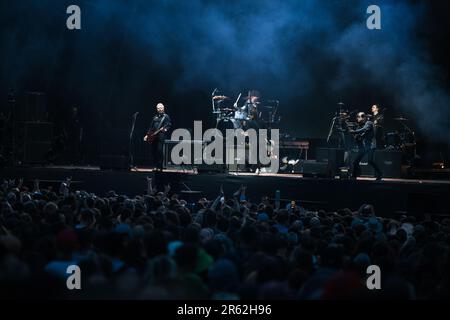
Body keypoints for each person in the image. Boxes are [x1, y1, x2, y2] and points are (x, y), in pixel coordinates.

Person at [350, 112, 383, 180]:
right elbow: (365, 133)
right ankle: (354, 175)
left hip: (370, 146)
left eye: (359, 117)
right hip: (368, 147)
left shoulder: (369, 123)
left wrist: (354, 132)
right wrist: (358, 136)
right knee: (359, 161)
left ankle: (379, 174)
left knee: (368, 161)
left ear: (363, 117)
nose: (358, 119)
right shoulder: (367, 124)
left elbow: (364, 129)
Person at [144, 103, 171, 171]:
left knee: (159, 151)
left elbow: (169, 125)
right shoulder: (155, 117)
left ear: (163, 108)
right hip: (153, 137)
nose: (160, 109)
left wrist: (164, 129)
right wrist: (147, 135)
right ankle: (155, 166)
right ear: (157, 109)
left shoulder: (166, 116)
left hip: (161, 136)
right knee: (154, 151)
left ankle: (160, 166)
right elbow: (151, 127)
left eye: (161, 108)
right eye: (158, 108)